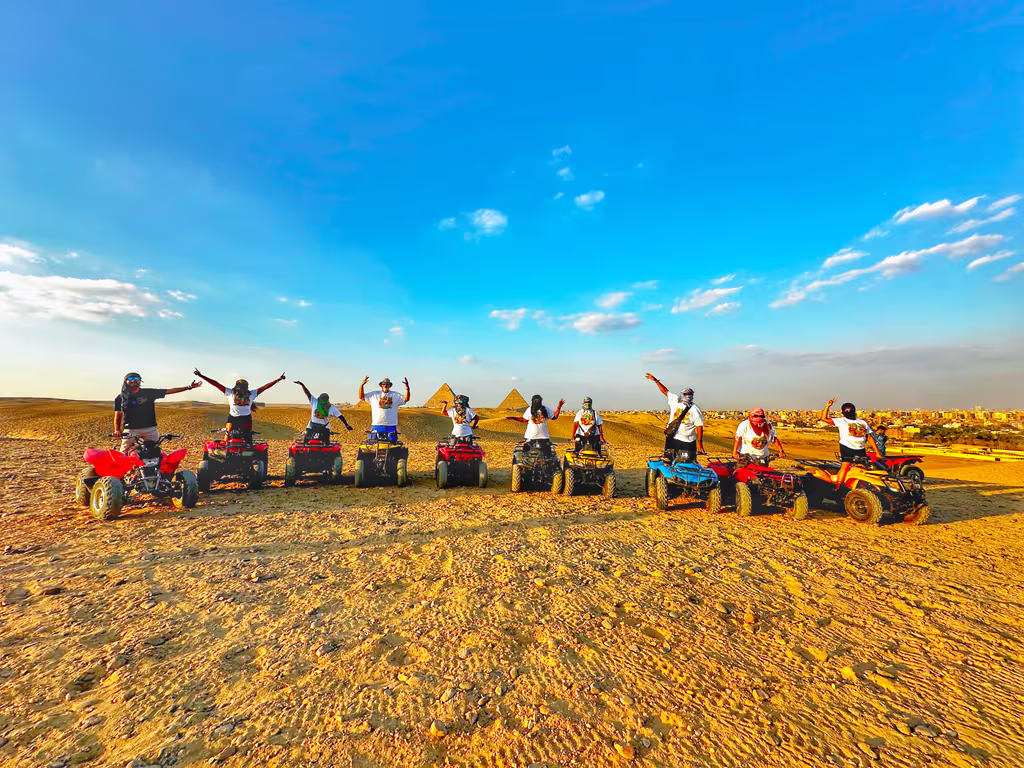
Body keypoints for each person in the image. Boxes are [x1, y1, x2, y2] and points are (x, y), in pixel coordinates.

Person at [114, 372, 202, 453]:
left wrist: (189, 387)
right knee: (123, 454)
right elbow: (118, 414)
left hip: (150, 429)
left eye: (136, 379)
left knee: (155, 453)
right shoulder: (120, 398)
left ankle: (152, 470)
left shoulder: (149, 393)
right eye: (130, 379)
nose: (133, 381)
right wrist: (117, 429)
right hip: (131, 430)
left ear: (140, 381)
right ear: (125, 381)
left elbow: (169, 391)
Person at [193, 368, 286, 442]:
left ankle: (228, 448)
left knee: (227, 436)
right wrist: (278, 380)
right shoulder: (251, 393)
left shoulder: (230, 392)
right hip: (245, 418)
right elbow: (265, 387)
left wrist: (201, 376)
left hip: (233, 418)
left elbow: (216, 384)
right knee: (247, 438)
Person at [645, 373, 705, 459]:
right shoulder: (675, 400)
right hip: (673, 437)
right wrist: (655, 380)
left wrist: (699, 442)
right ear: (682, 395)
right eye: (686, 394)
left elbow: (699, 426)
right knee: (668, 460)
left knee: (688, 462)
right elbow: (665, 391)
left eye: (689, 394)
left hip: (688, 441)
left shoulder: (694, 409)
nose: (687, 396)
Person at [359, 376, 410, 441]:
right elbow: (361, 396)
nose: (385, 385)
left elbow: (406, 399)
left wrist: (407, 388)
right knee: (373, 443)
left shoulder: (395, 395)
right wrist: (361, 385)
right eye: (384, 384)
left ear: (390, 386)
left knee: (392, 444)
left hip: (391, 425)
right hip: (377, 425)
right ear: (381, 385)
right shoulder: (374, 394)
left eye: (387, 384)